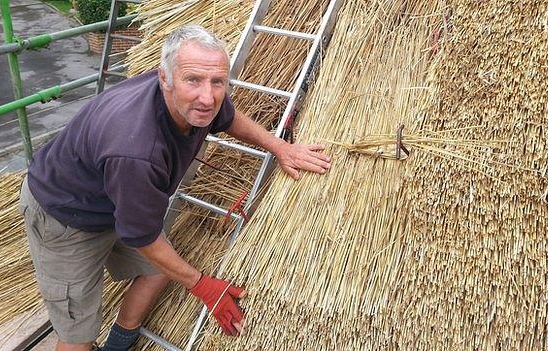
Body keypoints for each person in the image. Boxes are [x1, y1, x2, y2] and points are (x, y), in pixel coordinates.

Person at [19, 24, 331, 351]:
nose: (207, 97)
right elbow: (141, 235)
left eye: (218, 82)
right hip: (65, 216)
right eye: (193, 80)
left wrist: (279, 147)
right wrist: (203, 286)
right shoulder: (138, 151)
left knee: (158, 270)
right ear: (164, 78)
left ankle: (117, 345)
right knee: (77, 331)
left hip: (114, 199)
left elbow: (227, 117)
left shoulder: (199, 101)